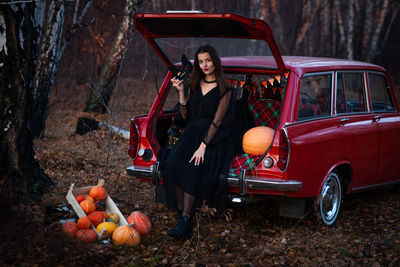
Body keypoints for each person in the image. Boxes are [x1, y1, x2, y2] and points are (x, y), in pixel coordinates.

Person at [163, 45, 237, 239]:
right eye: (201, 61)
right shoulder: (194, 85)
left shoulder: (225, 89)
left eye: (208, 60)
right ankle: (181, 214)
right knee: (172, 163)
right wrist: (181, 93)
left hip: (212, 139)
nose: (205, 65)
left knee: (192, 169)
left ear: (215, 61)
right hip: (191, 133)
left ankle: (186, 221)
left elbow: (218, 121)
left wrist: (203, 146)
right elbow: (186, 117)